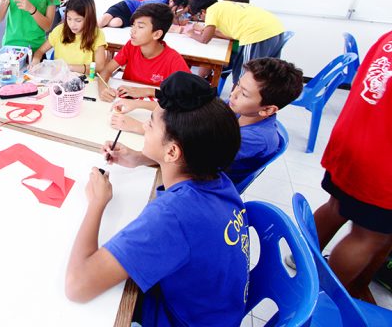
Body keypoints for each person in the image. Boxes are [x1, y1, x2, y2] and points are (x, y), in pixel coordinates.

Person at [65, 72, 248, 327]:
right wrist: (141, 158)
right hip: (214, 310)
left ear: (172, 151)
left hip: (178, 319)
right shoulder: (217, 177)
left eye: (150, 124)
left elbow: (77, 286)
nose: (144, 128)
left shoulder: (174, 216)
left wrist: (97, 203)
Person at [110, 58, 303, 187]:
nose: (233, 94)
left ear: (267, 110)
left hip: (206, 183)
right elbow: (187, 109)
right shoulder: (238, 108)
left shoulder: (257, 139)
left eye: (244, 93)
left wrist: (139, 128)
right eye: (237, 84)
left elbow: (190, 150)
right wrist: (139, 103)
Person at [313, 30, 392, 303]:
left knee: (336, 206)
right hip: (383, 159)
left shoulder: (389, 36)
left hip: (354, 136)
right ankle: (322, 299)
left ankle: (303, 265)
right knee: (370, 237)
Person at [97, 3, 189, 102]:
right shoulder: (131, 46)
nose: (132, 31)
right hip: (124, 103)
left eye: (140, 27)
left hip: (152, 108)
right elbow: (107, 70)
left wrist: (149, 91)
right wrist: (103, 89)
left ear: (157, 34)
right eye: (133, 25)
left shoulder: (173, 60)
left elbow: (189, 95)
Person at [187, 0, 286, 86]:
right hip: (277, 30)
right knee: (265, 73)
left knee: (245, 74)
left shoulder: (211, 10)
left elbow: (204, 39)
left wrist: (191, 34)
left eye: (200, 16)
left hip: (257, 34)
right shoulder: (224, 7)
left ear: (203, 11)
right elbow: (231, 35)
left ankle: (234, 99)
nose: (202, 19)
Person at [31, 0, 107, 75]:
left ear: (89, 19)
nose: (72, 24)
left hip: (84, 79)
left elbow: (100, 66)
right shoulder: (59, 30)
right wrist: (36, 59)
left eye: (78, 20)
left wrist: (70, 67)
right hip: (60, 78)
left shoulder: (97, 35)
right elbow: (40, 51)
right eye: (69, 18)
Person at [97, 0, 188, 28]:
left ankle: (102, 25)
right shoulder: (161, 4)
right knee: (106, 18)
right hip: (128, 5)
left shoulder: (167, 6)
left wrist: (180, 15)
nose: (179, 9)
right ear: (172, 1)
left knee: (117, 23)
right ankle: (91, 29)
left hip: (132, 15)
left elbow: (172, 19)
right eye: (179, 7)